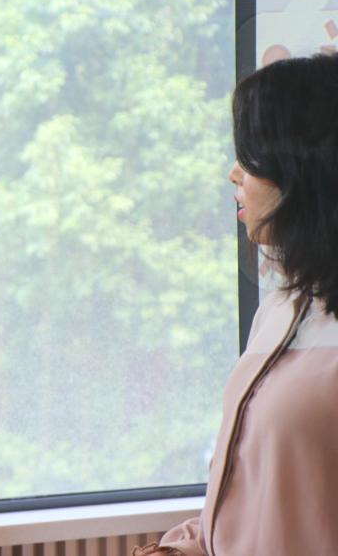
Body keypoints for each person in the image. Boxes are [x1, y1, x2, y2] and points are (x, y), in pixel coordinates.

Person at [134, 53, 338, 555]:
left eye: (250, 156)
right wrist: (181, 547)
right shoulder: (280, 310)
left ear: (304, 167)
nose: (233, 174)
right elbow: (257, 502)